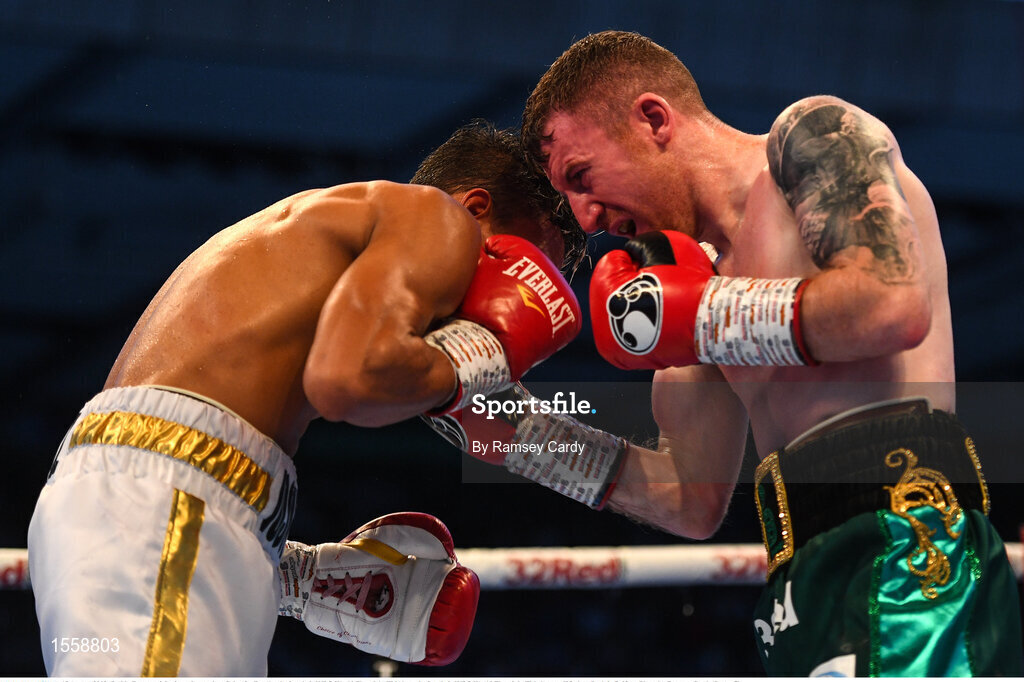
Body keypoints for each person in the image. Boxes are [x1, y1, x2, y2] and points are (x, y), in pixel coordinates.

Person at [429, 31, 1022, 676]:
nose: (587, 217)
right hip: (796, 586)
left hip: (911, 550)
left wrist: (701, 316)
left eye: (582, 177)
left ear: (653, 119)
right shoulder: (690, 283)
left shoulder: (812, 137)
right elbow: (688, 498)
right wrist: (515, 432)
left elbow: (891, 305)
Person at [26, 121, 585, 676]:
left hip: (163, 508)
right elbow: (346, 383)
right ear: (476, 206)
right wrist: (478, 353)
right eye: (522, 265)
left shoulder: (336, 243)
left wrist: (286, 572)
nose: (519, 296)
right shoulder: (435, 216)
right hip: (156, 505)